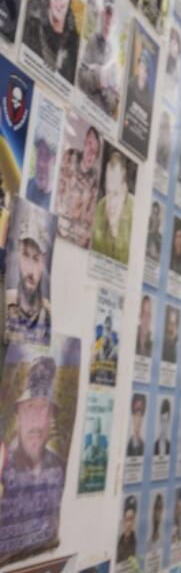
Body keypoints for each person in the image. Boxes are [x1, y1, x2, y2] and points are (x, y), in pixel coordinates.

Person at [0, 357, 64, 554]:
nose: (37, 421)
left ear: (51, 416)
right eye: (29, 407)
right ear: (17, 414)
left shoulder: (59, 466)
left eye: (44, 408)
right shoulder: (3, 464)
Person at [5, 206, 52, 344]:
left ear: (43, 262)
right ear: (18, 254)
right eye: (25, 255)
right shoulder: (5, 304)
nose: (30, 270)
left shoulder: (48, 317)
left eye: (36, 259)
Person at [77, 0, 121, 115]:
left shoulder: (113, 54)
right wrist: (99, 77)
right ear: (102, 14)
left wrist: (104, 87)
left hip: (101, 118)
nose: (109, 17)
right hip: (85, 111)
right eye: (107, 12)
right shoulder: (93, 41)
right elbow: (81, 78)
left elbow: (114, 103)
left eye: (112, 13)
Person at [91, 150, 133, 263]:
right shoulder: (99, 209)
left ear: (124, 191)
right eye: (108, 192)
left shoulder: (136, 213)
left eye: (116, 194)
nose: (110, 203)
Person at [26, 137, 56, 210]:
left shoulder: (56, 204)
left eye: (47, 155)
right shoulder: (25, 185)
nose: (41, 162)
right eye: (39, 153)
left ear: (55, 160)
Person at [116, 495, 138, 563]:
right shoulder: (118, 542)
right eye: (128, 519)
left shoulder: (135, 543)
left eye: (132, 519)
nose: (130, 523)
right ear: (123, 520)